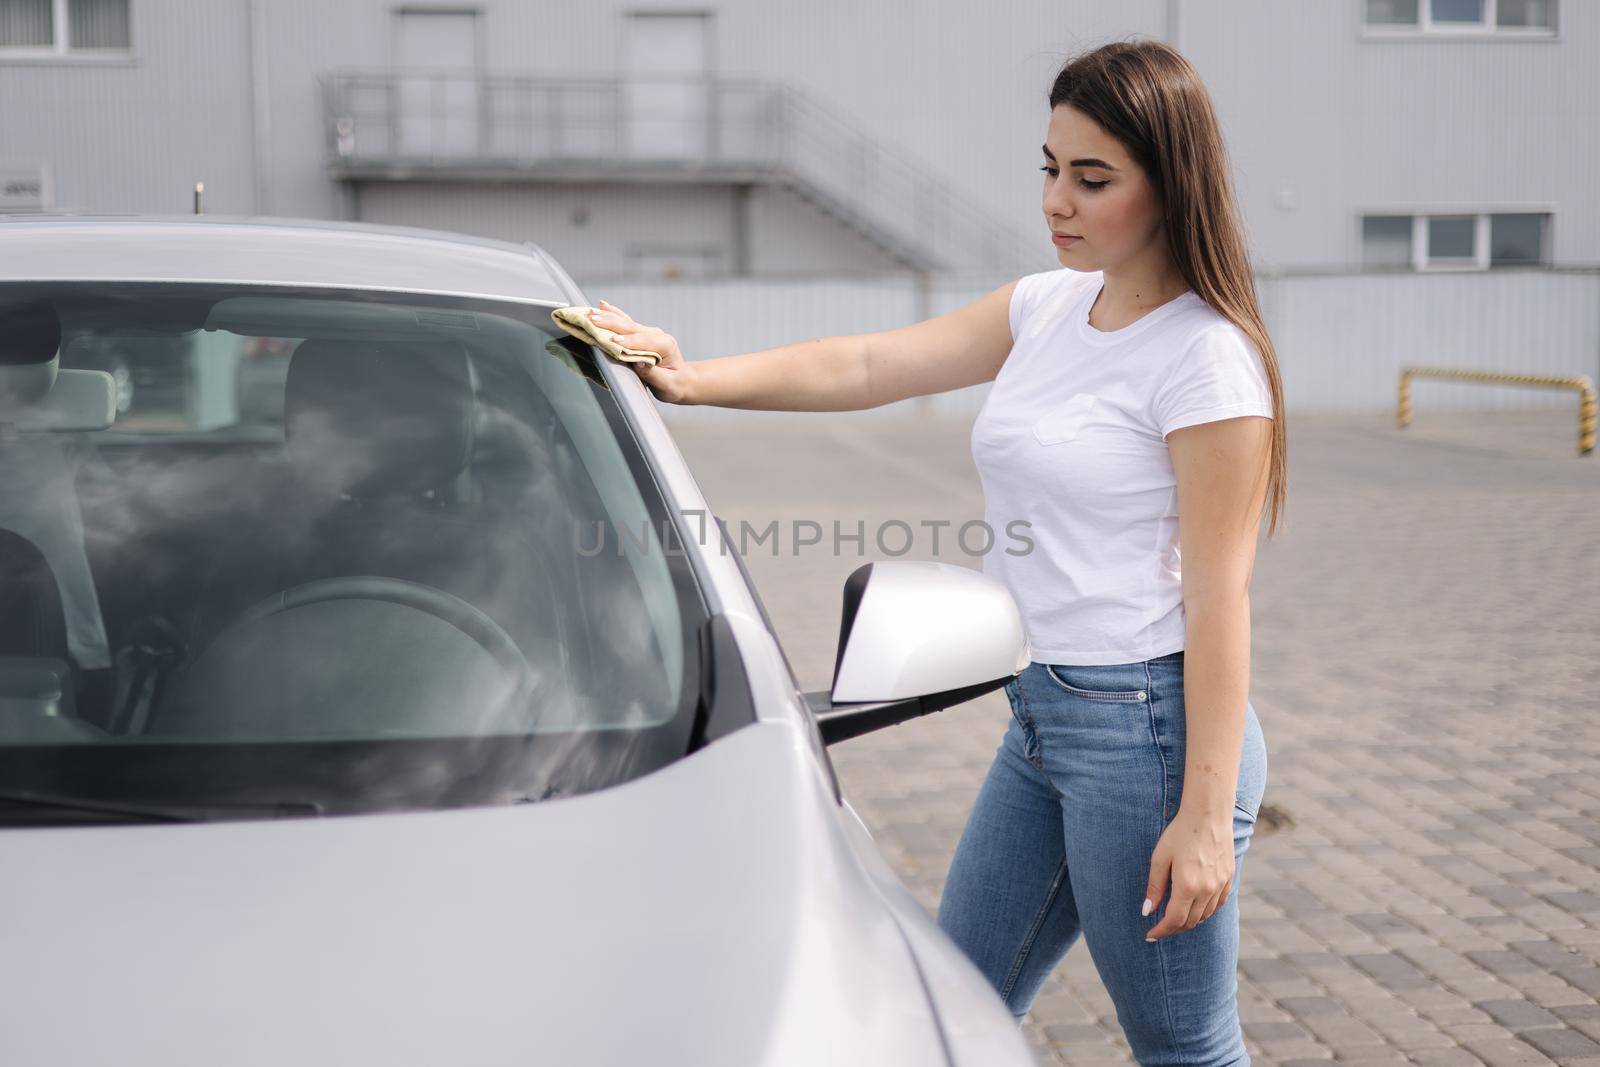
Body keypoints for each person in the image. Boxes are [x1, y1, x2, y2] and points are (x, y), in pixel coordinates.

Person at [587, 37, 1285, 1066]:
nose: (1057, 198)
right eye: (1050, 168)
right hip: (1042, 719)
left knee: (1183, 1047)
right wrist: (694, 379)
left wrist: (1202, 818)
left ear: (1171, 184)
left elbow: (1221, 601)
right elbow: (868, 361)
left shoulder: (1205, 360)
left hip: (1148, 735)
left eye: (1092, 179)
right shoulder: (1046, 306)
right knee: (951, 1002)